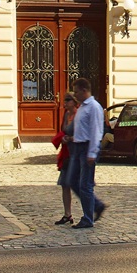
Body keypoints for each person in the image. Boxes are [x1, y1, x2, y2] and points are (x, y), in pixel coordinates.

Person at [68, 78, 109, 229]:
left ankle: (87, 218)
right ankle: (97, 205)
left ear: (84, 90)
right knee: (72, 181)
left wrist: (92, 152)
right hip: (78, 147)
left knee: (85, 184)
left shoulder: (94, 107)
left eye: (76, 92)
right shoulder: (82, 107)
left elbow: (96, 131)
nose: (75, 95)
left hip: (87, 148)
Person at [52, 92, 78, 224]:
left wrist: (72, 138)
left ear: (74, 101)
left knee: (79, 185)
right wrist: (62, 138)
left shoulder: (79, 115)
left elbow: (83, 134)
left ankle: (90, 212)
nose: (65, 103)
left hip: (77, 153)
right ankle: (67, 214)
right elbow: (63, 130)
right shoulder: (66, 115)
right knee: (64, 183)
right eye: (65, 100)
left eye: (68, 100)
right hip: (67, 153)